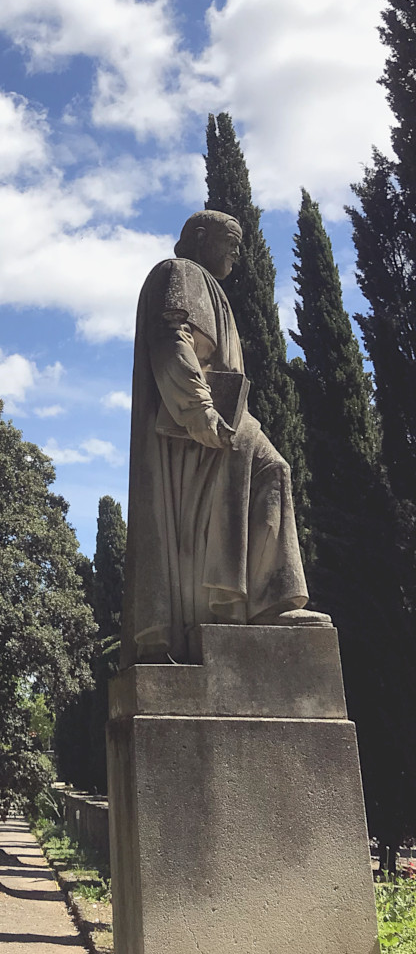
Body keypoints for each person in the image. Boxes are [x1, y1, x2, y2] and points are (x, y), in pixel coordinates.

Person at [121, 209, 329, 666]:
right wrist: (199, 409)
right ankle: (265, 603)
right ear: (200, 236)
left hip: (223, 415)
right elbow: (172, 338)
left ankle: (256, 602)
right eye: (230, 242)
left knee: (265, 478)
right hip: (198, 424)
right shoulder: (180, 272)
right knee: (270, 472)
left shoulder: (206, 284)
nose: (237, 253)